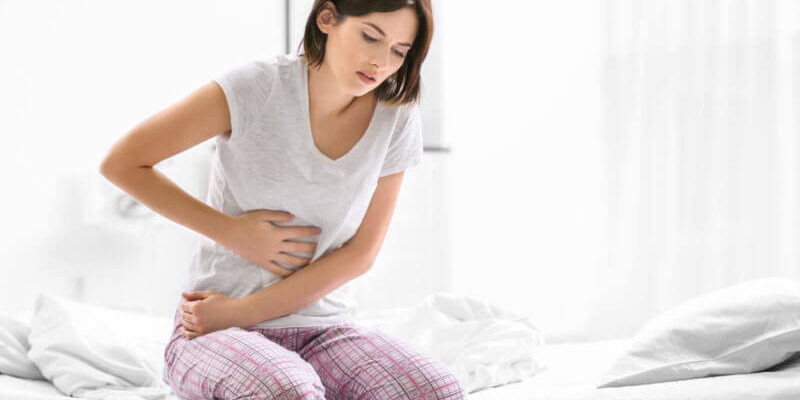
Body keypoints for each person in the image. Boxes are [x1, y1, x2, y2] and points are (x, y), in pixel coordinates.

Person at [99, 0, 465, 398]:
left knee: (438, 390)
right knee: (288, 391)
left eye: (399, 51)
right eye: (370, 37)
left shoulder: (396, 115)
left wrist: (243, 311)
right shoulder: (255, 87)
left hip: (323, 328)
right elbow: (122, 163)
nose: (381, 62)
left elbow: (362, 253)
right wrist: (235, 234)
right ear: (327, 18)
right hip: (214, 325)